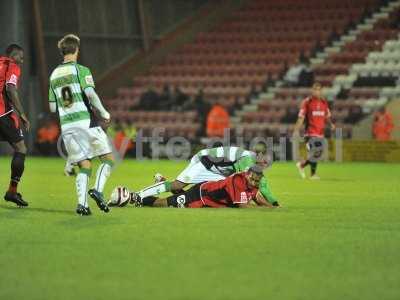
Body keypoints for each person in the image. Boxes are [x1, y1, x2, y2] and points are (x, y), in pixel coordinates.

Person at [48, 34, 114, 216]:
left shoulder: (53, 75)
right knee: (107, 159)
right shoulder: (81, 69)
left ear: (63, 51)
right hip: (86, 121)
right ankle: (98, 190)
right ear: (77, 49)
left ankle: (82, 205)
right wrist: (104, 113)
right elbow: (91, 95)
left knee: (84, 165)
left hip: (67, 127)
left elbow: (52, 107)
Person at [129, 144, 279, 207]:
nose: (264, 165)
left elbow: (258, 183)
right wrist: (273, 204)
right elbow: (258, 184)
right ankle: (138, 195)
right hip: (204, 162)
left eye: (268, 164)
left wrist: (272, 203)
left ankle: (162, 181)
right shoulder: (247, 159)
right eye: (264, 161)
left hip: (216, 172)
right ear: (259, 155)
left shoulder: (252, 161)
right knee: (178, 185)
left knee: (203, 193)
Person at [134, 165, 279, 208]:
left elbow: (258, 198)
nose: (254, 183)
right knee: (165, 204)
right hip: (202, 196)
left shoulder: (253, 183)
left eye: (257, 182)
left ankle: (163, 181)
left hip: (207, 191)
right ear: (247, 174)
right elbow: (243, 206)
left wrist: (272, 207)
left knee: (179, 196)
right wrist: (265, 210)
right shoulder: (238, 181)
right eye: (253, 180)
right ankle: (138, 199)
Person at [0, 44, 30, 207]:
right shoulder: (12, 65)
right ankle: (12, 191)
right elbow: (11, 89)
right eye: (21, 57)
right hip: (2, 114)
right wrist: (22, 114)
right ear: (14, 55)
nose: (22, 61)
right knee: (21, 148)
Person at [293, 82, 335, 180]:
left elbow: (327, 116)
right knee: (316, 151)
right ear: (312, 91)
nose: (317, 92)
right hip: (310, 133)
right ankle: (313, 174)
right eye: (315, 89)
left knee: (318, 153)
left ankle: (302, 165)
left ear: (321, 91)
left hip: (320, 132)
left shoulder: (324, 103)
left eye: (319, 90)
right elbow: (301, 117)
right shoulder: (307, 102)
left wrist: (331, 124)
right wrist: (296, 130)